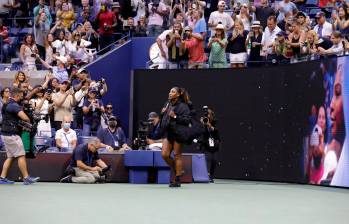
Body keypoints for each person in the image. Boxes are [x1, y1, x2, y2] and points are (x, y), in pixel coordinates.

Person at [0, 88, 40, 185]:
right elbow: (25, 118)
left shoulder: (6, 104)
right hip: (12, 135)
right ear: (17, 96)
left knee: (11, 157)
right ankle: (26, 178)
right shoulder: (14, 105)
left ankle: (2, 177)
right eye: (21, 96)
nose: (22, 98)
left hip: (5, 134)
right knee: (21, 155)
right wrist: (29, 121)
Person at [160, 87, 191, 187]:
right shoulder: (167, 104)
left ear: (178, 94)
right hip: (168, 132)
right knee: (164, 154)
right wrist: (162, 114)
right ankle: (178, 170)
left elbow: (187, 121)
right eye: (169, 91)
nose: (170, 93)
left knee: (177, 155)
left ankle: (177, 180)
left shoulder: (183, 106)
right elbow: (164, 118)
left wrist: (175, 116)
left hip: (178, 133)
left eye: (172, 92)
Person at [199, 107, 220, 182]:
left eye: (209, 114)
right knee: (207, 159)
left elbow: (216, 132)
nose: (207, 116)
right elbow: (202, 132)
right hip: (206, 144)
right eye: (206, 114)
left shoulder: (215, 122)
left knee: (214, 160)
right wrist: (203, 124)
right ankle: (206, 175)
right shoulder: (203, 122)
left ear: (212, 115)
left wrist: (209, 125)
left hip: (214, 144)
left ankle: (211, 175)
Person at [307, 106, 326, 184]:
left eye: (323, 118)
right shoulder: (314, 133)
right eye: (319, 117)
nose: (321, 121)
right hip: (314, 174)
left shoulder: (330, 140)